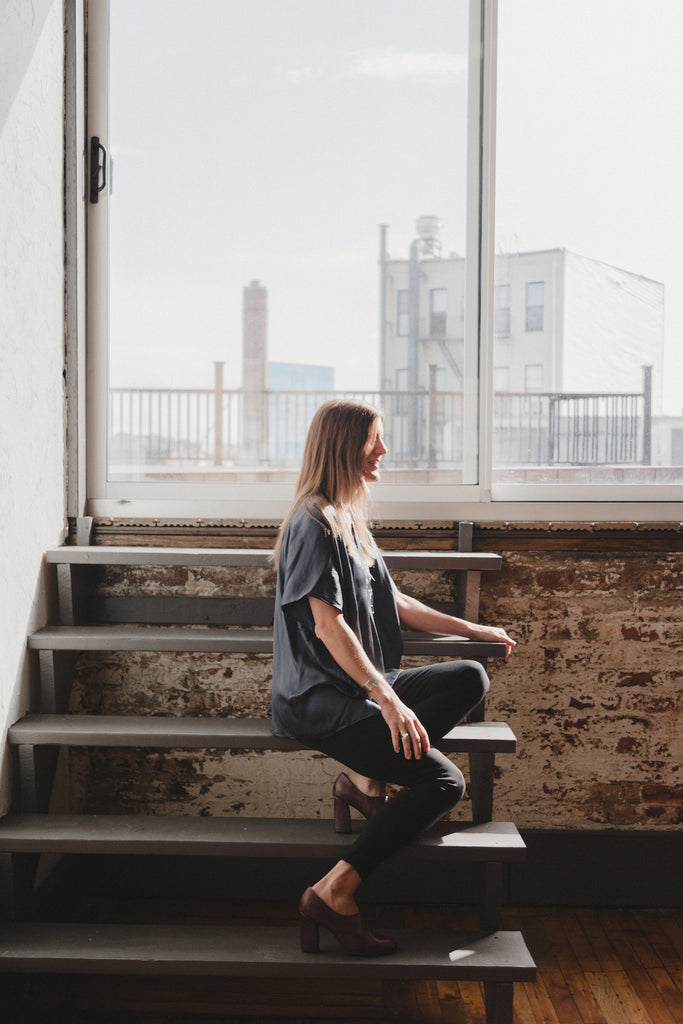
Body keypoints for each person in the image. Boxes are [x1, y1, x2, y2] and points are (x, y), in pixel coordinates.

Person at [270, 399, 515, 957]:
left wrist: (474, 629)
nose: (383, 451)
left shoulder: (348, 518)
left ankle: (362, 782)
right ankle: (334, 891)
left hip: (364, 685)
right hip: (322, 700)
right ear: (343, 446)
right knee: (444, 783)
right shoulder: (313, 522)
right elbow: (329, 626)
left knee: (469, 676)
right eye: (373, 441)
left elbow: (396, 602)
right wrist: (386, 699)